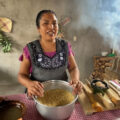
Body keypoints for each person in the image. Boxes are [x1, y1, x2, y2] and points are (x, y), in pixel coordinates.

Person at [18, 10, 82, 97]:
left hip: (62, 93)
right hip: (38, 94)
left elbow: (73, 68)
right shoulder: (30, 49)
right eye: (46, 23)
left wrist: (75, 80)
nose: (51, 27)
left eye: (54, 23)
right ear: (38, 28)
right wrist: (29, 83)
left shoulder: (65, 46)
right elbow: (22, 75)